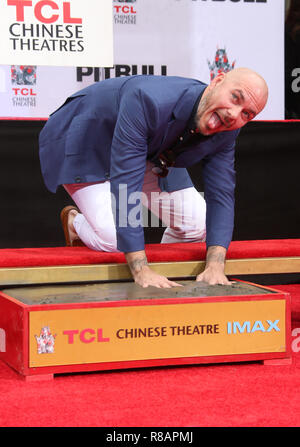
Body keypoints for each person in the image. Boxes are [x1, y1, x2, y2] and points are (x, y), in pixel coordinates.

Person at [39, 68, 268, 289]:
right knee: (115, 240)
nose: (234, 114)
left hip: (150, 148)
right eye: (235, 98)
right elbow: (127, 182)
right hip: (88, 139)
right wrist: (140, 269)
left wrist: (216, 265)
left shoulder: (228, 128)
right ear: (217, 82)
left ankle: (165, 280)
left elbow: (221, 193)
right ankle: (75, 223)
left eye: (247, 114)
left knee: (196, 224)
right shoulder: (148, 99)